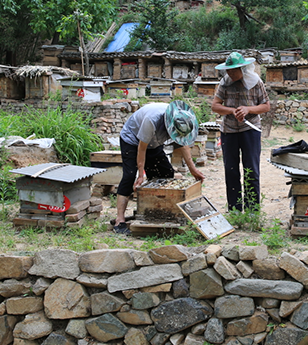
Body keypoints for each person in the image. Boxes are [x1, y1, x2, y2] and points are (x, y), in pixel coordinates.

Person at [113, 100, 205, 234]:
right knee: (129, 176)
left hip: (154, 143)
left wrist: (193, 170)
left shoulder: (181, 117)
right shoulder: (152, 120)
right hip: (133, 140)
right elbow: (142, 148)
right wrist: (140, 174)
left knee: (166, 172)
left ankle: (155, 210)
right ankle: (119, 220)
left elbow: (183, 145)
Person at [211, 52, 271, 212]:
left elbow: (266, 106)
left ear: (243, 69)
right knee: (231, 170)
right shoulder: (224, 82)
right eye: (228, 70)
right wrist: (231, 111)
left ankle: (252, 211)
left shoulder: (256, 82)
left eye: (233, 70)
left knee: (251, 169)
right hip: (229, 131)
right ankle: (235, 210)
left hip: (250, 130)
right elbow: (215, 106)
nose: (230, 73)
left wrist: (247, 109)